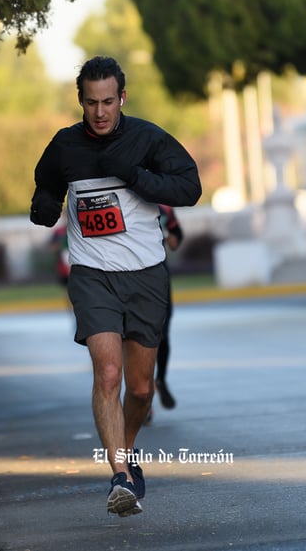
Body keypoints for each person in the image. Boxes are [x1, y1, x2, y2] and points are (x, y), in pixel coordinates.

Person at [29, 56, 201, 516]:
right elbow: (45, 186)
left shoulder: (147, 138)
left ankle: (127, 450)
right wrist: (45, 206)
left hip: (145, 275)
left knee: (141, 390)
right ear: (81, 101)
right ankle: (120, 476)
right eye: (91, 103)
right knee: (108, 374)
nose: (100, 112)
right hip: (91, 274)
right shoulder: (66, 146)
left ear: (122, 98)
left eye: (108, 102)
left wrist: (137, 177)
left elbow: (190, 187)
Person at [145, 205, 184, 425]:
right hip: (127, 277)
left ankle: (160, 379)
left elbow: (177, 233)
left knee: (162, 333)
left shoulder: (164, 207)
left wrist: (171, 239)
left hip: (159, 275)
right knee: (134, 338)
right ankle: (145, 395)